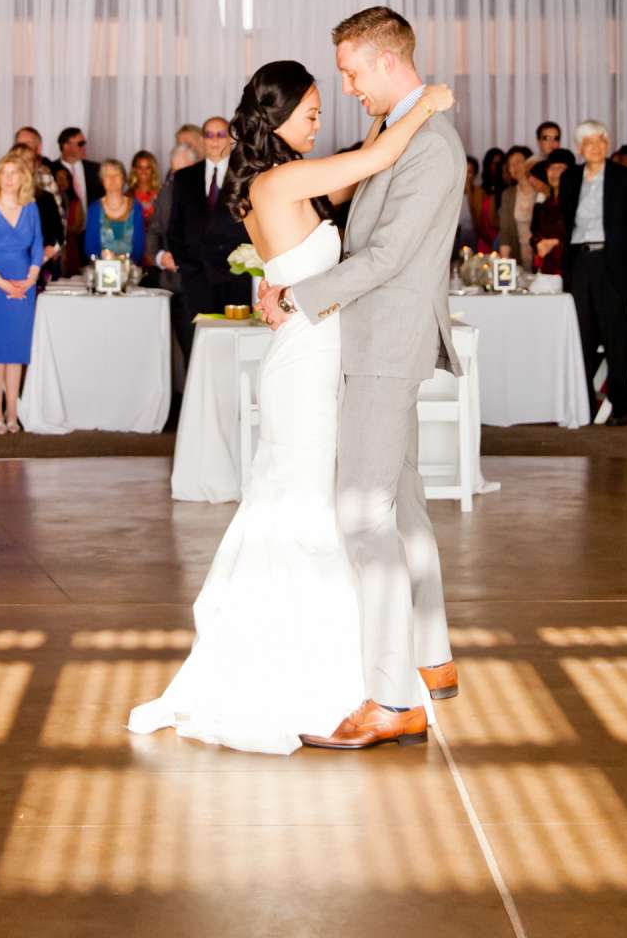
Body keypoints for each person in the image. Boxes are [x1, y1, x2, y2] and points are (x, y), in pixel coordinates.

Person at [131, 55, 455, 754]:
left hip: (310, 352)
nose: (318, 123)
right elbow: (380, 155)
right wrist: (426, 103)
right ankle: (326, 672)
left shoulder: (272, 182)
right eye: (309, 114)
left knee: (315, 504)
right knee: (311, 505)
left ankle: (359, 669)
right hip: (307, 363)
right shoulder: (285, 178)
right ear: (276, 120)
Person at [254, 7, 467, 751]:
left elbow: (387, 259)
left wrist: (295, 296)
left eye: (349, 72)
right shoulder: (404, 134)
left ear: (385, 61)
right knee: (402, 505)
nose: (346, 87)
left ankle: (390, 699)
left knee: (362, 515)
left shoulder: (432, 148)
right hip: (379, 338)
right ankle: (433, 659)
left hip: (382, 343)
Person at [554, 120, 627, 426]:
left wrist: (619, 253)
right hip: (579, 262)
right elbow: (565, 219)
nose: (595, 146)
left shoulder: (624, 177)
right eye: (588, 142)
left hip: (611, 261)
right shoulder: (569, 178)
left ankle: (621, 403)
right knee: (582, 333)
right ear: (580, 148)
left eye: (601, 140)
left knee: (616, 333)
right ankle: (583, 401)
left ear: (608, 143)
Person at [0, 148, 45, 434]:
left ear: (23, 177)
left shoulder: (31, 207)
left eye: (16, 173)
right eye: (6, 173)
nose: (11, 178)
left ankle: (14, 411)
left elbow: (37, 245)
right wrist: (1, 283)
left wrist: (29, 280)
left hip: (24, 283)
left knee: (16, 351)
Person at [156, 116, 241, 362]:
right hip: (196, 280)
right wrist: (186, 266)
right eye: (209, 135)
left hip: (235, 279)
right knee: (198, 350)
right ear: (202, 140)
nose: (215, 141)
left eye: (220, 134)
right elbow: (174, 229)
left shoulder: (245, 176)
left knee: (231, 350)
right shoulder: (185, 177)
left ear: (231, 138)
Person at [85, 158, 149, 265]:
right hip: (101, 269)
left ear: (123, 178)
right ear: (102, 180)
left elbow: (139, 246)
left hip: (130, 269)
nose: (112, 178)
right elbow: (90, 247)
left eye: (116, 174)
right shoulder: (94, 208)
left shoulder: (135, 207)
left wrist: (127, 266)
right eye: (107, 175)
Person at [528, 150, 573, 275]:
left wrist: (555, 243)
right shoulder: (544, 203)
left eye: (560, 168)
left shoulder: (577, 202)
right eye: (551, 168)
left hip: (569, 268)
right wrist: (538, 242)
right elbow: (534, 232)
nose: (555, 173)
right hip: (546, 268)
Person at [56, 127, 93, 219]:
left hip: (91, 229)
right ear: (66, 146)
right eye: (81, 144)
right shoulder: (51, 170)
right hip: (63, 230)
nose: (84, 147)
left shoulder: (96, 169)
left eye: (84, 143)